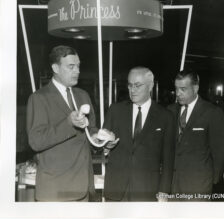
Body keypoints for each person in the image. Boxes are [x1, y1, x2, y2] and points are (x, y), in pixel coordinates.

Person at [26, 45, 99, 201]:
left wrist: (100, 139)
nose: (77, 71)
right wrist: (68, 123)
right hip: (56, 189)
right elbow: (36, 141)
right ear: (55, 68)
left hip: (84, 188)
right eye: (71, 66)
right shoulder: (39, 98)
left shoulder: (83, 95)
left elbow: (90, 131)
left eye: (78, 66)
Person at [102, 66, 175, 201]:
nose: (132, 90)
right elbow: (101, 144)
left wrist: (164, 190)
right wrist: (106, 147)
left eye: (137, 85)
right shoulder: (115, 110)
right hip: (116, 189)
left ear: (151, 86)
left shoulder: (166, 117)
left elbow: (168, 159)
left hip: (147, 190)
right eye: (130, 85)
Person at [168, 70, 224, 201]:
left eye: (183, 89)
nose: (178, 93)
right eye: (176, 88)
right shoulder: (170, 111)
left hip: (198, 184)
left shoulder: (212, 112)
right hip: (172, 184)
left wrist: (212, 179)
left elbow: (220, 150)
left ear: (195, 88)